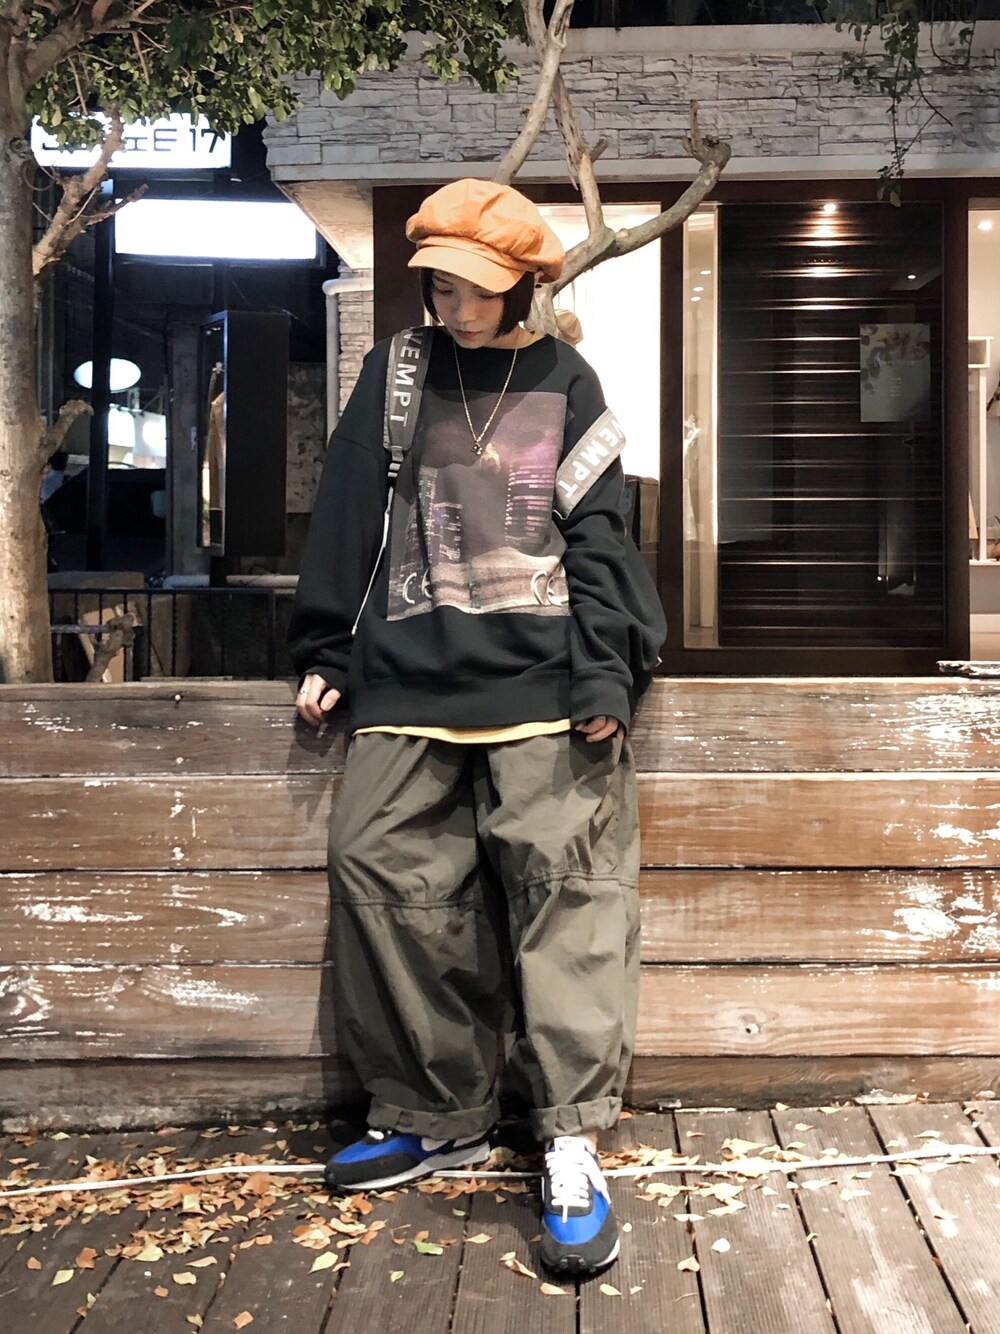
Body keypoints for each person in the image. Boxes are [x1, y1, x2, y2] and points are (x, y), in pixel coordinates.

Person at [286, 177, 666, 1276]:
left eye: (477, 287)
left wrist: (606, 671)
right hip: (410, 678)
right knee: (377, 865)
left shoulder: (567, 380)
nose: (455, 305)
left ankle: (569, 1138)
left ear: (526, 286)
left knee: (569, 894)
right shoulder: (397, 372)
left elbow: (601, 536)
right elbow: (349, 512)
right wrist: (328, 649)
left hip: (547, 685)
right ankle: (433, 1109)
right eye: (442, 284)